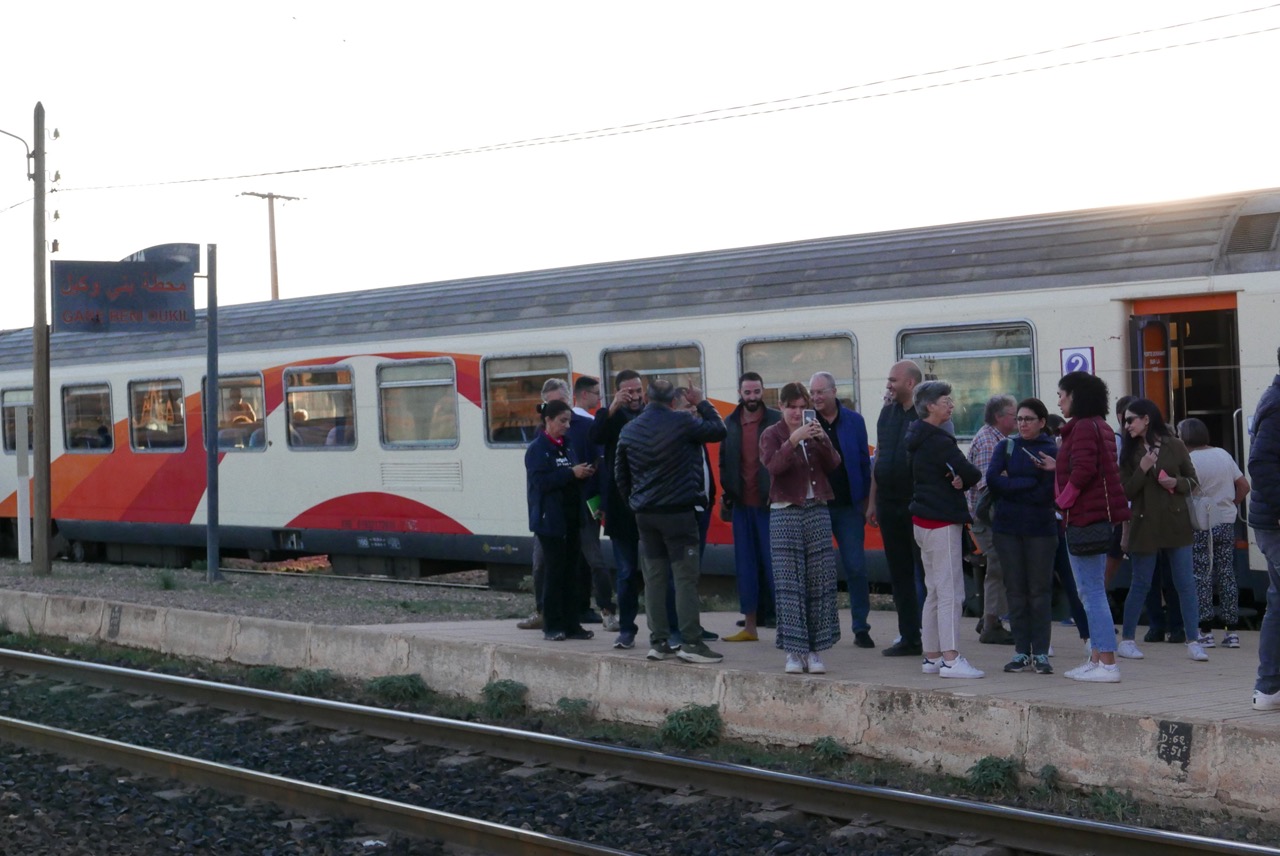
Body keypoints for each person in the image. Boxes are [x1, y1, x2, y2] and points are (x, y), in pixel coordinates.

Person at [615, 379, 726, 664]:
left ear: (648, 398)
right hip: (679, 514)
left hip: (646, 515)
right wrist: (702, 401)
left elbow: (621, 474)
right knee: (685, 578)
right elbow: (718, 430)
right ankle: (690, 642)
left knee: (654, 579)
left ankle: (659, 642)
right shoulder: (682, 422)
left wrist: (634, 502)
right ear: (673, 401)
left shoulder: (630, 429)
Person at [1048, 371, 1130, 682]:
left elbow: (1082, 471)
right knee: (1092, 589)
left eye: (1062, 395)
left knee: (1091, 591)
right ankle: (1096, 658)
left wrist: (1063, 502)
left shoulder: (1082, 427)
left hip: (1083, 517)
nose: (1059, 401)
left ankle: (1107, 662)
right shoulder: (1101, 425)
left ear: (1075, 396)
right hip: (1098, 516)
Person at [760, 381, 842, 674]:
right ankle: (795, 653)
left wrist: (823, 440)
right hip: (785, 511)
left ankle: (816, 651)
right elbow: (773, 467)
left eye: (802, 407)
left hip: (816, 507)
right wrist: (793, 440)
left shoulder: (814, 430)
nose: (797, 413)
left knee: (820, 581)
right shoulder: (772, 434)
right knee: (789, 583)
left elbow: (834, 464)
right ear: (781, 407)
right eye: (791, 407)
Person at [1116, 398, 1205, 662]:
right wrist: (1143, 469)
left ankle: (1194, 640)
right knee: (1141, 583)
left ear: (1147, 419)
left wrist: (1173, 482)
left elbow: (1193, 482)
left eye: (1131, 419)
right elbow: (1125, 491)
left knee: (1185, 583)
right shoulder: (1128, 452)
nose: (1126, 424)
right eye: (1125, 420)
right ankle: (1128, 639)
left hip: (1176, 522)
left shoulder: (1175, 445)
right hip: (1144, 522)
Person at [906, 381, 984, 678]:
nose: (951, 405)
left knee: (934, 591)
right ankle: (952, 659)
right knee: (951, 591)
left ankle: (932, 656)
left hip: (921, 521)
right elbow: (972, 473)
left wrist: (954, 479)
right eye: (945, 401)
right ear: (930, 406)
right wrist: (960, 480)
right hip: (941, 522)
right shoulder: (940, 441)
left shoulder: (913, 436)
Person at [986, 398, 1059, 674]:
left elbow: (1047, 493)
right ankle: (1020, 651)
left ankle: (1040, 652)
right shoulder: (1005, 446)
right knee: (1015, 591)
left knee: (1039, 592)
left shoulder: (1051, 451)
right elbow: (993, 480)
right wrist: (1028, 481)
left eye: (1029, 419)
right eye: (1019, 419)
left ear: (1042, 422)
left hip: (1040, 529)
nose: (1023, 424)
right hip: (1007, 530)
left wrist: (1012, 485)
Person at [808, 371, 874, 648]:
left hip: (848, 507)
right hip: (818, 507)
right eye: (813, 393)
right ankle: (820, 629)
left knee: (856, 567)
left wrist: (868, 503)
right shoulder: (807, 422)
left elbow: (863, 463)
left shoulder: (855, 422)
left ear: (834, 391)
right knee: (819, 572)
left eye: (821, 392)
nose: (816, 397)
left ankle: (861, 628)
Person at [524, 399, 595, 642]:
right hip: (550, 520)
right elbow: (541, 482)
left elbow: (569, 476)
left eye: (569, 421)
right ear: (548, 421)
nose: (567, 426)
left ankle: (572, 623)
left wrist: (583, 474)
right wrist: (570, 473)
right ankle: (552, 625)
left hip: (571, 517)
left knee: (572, 572)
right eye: (562, 421)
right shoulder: (538, 448)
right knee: (555, 573)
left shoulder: (568, 445)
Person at [868, 360, 925, 658]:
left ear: (911, 383)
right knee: (899, 573)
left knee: (926, 573)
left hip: (917, 503)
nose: (888, 384)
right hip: (889, 505)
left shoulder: (924, 415)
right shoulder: (885, 414)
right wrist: (872, 502)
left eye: (893, 379)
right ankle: (909, 636)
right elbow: (879, 458)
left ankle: (934, 637)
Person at [719, 372, 781, 642]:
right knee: (746, 567)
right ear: (740, 393)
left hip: (771, 506)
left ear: (763, 391)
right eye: (748, 393)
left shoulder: (776, 420)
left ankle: (786, 628)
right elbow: (724, 460)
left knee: (775, 566)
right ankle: (750, 627)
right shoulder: (730, 422)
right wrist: (728, 493)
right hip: (742, 505)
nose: (753, 398)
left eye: (756, 392)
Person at [1177, 417, 1249, 649]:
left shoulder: (1189, 459)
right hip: (1225, 522)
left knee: (1201, 574)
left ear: (1185, 436)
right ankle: (1232, 632)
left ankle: (1206, 630)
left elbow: (1186, 489)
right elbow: (1244, 486)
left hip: (1200, 523)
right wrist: (1231, 505)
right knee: (1227, 573)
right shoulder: (1223, 454)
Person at [591, 370, 646, 649]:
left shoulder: (651, 414)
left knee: (656, 572)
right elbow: (596, 435)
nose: (635, 397)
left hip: (650, 506)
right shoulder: (608, 416)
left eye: (638, 390)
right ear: (617, 392)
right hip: (621, 508)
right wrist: (613, 407)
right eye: (629, 392)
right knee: (625, 572)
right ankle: (627, 629)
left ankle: (667, 631)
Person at [967, 394, 1018, 645]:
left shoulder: (999, 439)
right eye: (1014, 414)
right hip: (989, 519)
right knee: (998, 567)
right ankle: (991, 624)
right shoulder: (989, 442)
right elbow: (988, 486)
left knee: (999, 567)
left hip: (991, 517)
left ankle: (990, 615)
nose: (1018, 418)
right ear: (999, 417)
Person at [1249, 349, 1280, 711]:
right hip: (1275, 523)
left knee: (1277, 601)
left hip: (1269, 521)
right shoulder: (1277, 404)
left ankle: (1269, 688)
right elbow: (1260, 463)